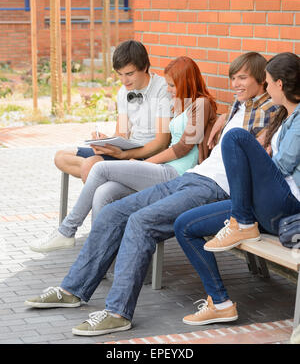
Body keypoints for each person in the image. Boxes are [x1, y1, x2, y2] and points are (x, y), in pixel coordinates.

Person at [25, 52, 278, 337]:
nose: (235, 84)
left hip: (215, 190)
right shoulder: (240, 105)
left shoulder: (271, 111)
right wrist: (221, 118)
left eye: (242, 78)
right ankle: (73, 289)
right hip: (194, 177)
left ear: (265, 81)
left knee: (140, 221)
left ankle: (117, 312)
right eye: (233, 78)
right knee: (113, 211)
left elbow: (265, 156)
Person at [30, 56, 217, 252]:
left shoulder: (201, 105)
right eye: (169, 85)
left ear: (187, 82)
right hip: (163, 170)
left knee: (100, 168)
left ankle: (67, 231)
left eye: (172, 85)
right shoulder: (181, 104)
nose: (169, 89)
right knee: (105, 190)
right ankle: (96, 255)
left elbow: (183, 148)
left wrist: (146, 163)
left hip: (178, 175)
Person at [174, 52, 300, 327]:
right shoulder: (284, 116)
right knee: (184, 225)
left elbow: (283, 166)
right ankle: (220, 303)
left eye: (267, 82)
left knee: (236, 137)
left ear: (280, 84)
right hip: (262, 205)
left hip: (287, 205)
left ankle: (241, 222)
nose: (266, 88)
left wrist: (256, 163)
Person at [54, 40, 172, 183]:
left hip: (147, 157)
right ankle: (98, 173)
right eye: (119, 74)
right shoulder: (123, 92)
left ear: (145, 67)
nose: (124, 80)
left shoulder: (163, 89)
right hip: (126, 153)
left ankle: (96, 173)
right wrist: (106, 143)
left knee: (91, 164)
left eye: (129, 74)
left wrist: (124, 154)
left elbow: (161, 143)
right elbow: (122, 134)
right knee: (61, 156)